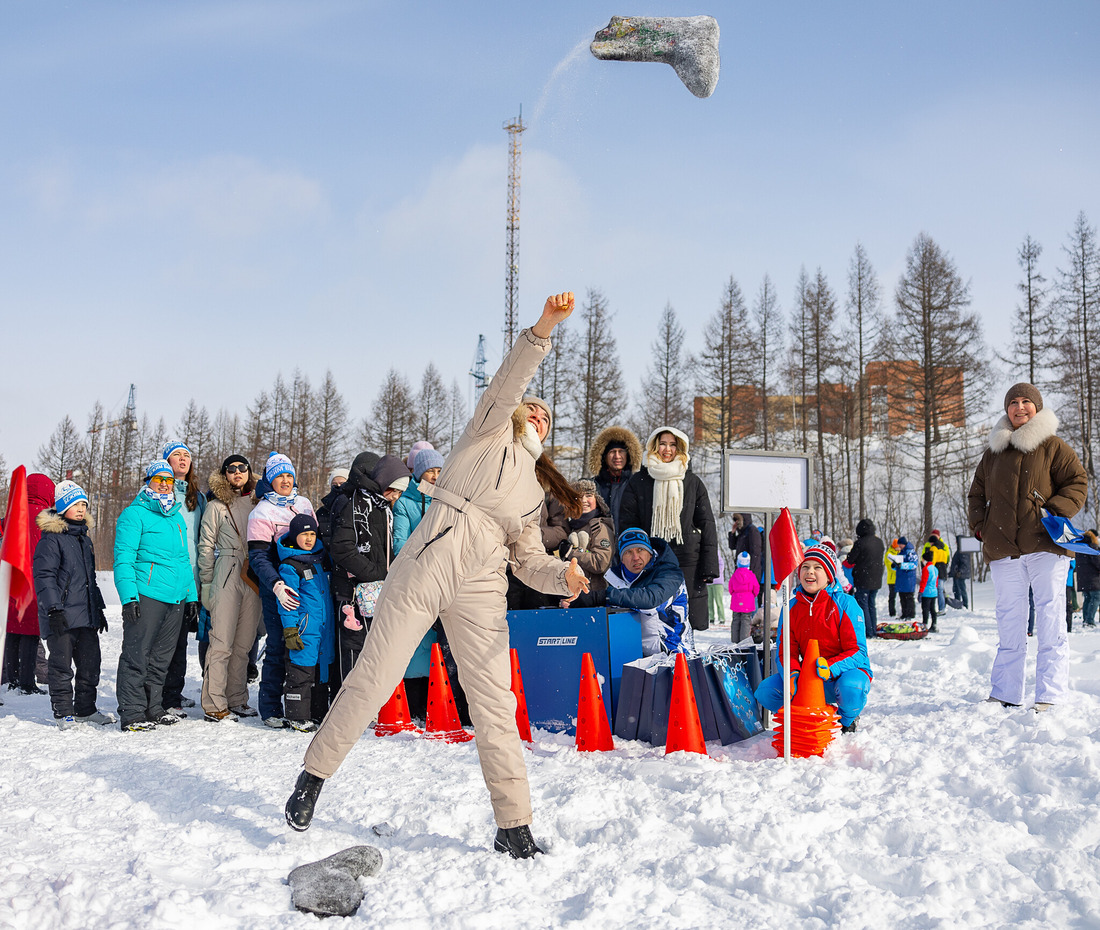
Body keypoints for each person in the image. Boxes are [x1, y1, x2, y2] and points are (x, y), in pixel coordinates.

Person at [285, 292, 590, 860]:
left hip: (483, 583)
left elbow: (528, 561)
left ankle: (514, 826)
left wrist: (563, 578)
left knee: (496, 702)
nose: (540, 415)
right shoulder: (488, 431)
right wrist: (544, 330)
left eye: (549, 416)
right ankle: (314, 776)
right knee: (378, 676)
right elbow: (509, 379)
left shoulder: (532, 491)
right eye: (535, 408)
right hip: (435, 552)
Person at [968, 382, 1087, 709]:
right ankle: (1005, 692)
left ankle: (1049, 695)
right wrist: (982, 527)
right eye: (1013, 403)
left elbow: (1077, 482)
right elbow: (976, 494)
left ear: (1037, 407)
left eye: (1026, 402)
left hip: (1046, 546)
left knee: (1050, 619)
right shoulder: (993, 453)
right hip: (1003, 549)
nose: (1020, 407)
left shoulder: (1053, 446)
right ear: (1006, 409)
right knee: (1009, 622)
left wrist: (1053, 511)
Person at [114, 460, 199, 731]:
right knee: (137, 654)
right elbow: (123, 559)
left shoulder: (176, 516)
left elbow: (184, 559)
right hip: (147, 593)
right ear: (147, 481)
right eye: (158, 479)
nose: (164, 484)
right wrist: (129, 597)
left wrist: (192, 595)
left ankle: (153, 707)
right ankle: (132, 711)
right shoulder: (134, 514)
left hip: (176, 597)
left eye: (168, 480)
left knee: (162, 658)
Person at [754, 545, 871, 733]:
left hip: (844, 674)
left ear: (829, 575)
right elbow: (786, 650)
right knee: (766, 692)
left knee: (851, 688)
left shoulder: (846, 604)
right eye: (805, 567)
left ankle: (846, 720)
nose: (810, 572)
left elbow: (858, 651)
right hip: (809, 676)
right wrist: (792, 675)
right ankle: (806, 716)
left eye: (818, 567)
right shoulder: (790, 607)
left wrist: (830, 667)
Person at [619, 426, 719, 631]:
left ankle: (686, 662)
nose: (667, 449)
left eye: (673, 445)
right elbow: (627, 523)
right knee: (652, 619)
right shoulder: (638, 481)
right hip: (651, 558)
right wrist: (632, 556)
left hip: (688, 559)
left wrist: (709, 567)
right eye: (662, 444)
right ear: (654, 447)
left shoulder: (693, 482)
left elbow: (707, 523)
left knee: (686, 621)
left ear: (680, 448)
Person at [32, 480, 114, 728]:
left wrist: (98, 610)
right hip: (62, 616)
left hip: (86, 616)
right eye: (75, 504)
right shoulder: (51, 539)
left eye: (83, 504)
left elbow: (90, 579)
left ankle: (85, 710)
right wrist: (54, 610)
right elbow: (44, 577)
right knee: (61, 667)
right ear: (63, 506)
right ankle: (63, 713)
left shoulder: (85, 539)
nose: (80, 509)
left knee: (91, 666)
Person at [247, 452, 316, 729]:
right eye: (279, 476)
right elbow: (258, 557)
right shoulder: (261, 511)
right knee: (279, 645)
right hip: (277, 585)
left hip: (307, 584)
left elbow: (314, 542)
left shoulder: (304, 504)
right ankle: (271, 707)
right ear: (270, 480)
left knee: (306, 643)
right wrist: (276, 585)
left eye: (289, 475)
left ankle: (305, 703)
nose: (285, 481)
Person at [328, 452, 410, 677]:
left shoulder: (381, 506)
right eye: (392, 490)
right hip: (353, 591)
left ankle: (370, 708)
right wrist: (376, 573)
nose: (395, 496)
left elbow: (385, 547)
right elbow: (342, 548)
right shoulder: (352, 502)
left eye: (399, 492)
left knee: (375, 651)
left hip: (377, 590)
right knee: (355, 652)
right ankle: (350, 708)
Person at [198, 454, 262, 722]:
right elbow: (206, 546)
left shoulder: (260, 502)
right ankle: (213, 701)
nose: (237, 472)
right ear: (224, 474)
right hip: (226, 570)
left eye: (242, 468)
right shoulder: (216, 506)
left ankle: (237, 698)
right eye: (231, 469)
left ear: (249, 472)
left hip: (254, 574)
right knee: (221, 641)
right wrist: (207, 583)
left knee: (244, 643)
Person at [568, 527, 694, 656]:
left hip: (675, 656)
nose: (635, 557)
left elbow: (651, 601)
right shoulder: (613, 579)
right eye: (628, 552)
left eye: (640, 550)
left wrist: (603, 596)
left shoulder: (671, 574)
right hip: (633, 654)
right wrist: (575, 602)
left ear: (650, 553)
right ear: (622, 559)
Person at [275, 513, 335, 732]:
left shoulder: (321, 558)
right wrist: (291, 628)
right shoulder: (290, 566)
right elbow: (288, 600)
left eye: (312, 534)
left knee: (321, 673)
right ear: (294, 536)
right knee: (301, 671)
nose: (309, 539)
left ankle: (318, 713)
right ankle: (297, 715)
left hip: (325, 628)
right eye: (303, 534)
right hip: (304, 628)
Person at [160, 440, 206, 716]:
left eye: (186, 455)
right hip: (165, 575)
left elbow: (200, 537)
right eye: (176, 455)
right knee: (163, 639)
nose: (182, 459)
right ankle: (160, 694)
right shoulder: (157, 492)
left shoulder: (195, 496)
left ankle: (172, 693)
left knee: (180, 640)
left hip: (191, 576)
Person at [3, 473, 54, 695]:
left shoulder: (14, 515)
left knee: (12, 632)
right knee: (31, 635)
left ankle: (10, 679)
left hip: (11, 582)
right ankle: (26, 682)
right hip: (35, 584)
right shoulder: (48, 519)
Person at [585, 426, 643, 534]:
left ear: (629, 454)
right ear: (604, 456)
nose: (617, 456)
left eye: (621, 451)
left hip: (629, 545)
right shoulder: (593, 486)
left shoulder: (637, 484)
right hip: (599, 546)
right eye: (612, 452)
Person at [847, 518, 885, 639]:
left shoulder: (860, 543)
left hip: (863, 578)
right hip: (876, 578)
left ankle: (868, 632)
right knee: (871, 604)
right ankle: (873, 629)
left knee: (863, 605)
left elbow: (850, 559)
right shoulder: (879, 542)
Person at [727, 551, 760, 644]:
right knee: (746, 620)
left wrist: (736, 595)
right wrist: (752, 595)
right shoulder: (751, 575)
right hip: (748, 601)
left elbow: (731, 588)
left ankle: (735, 640)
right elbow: (756, 588)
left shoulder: (734, 575)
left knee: (736, 620)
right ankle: (744, 640)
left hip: (736, 600)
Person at [728, 513, 764, 593]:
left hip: (750, 574)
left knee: (750, 600)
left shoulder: (752, 531)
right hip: (742, 574)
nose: (735, 522)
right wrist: (732, 533)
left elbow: (756, 554)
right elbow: (732, 546)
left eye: (737, 520)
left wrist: (751, 574)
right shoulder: (742, 533)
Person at [890, 536, 918, 620]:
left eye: (900, 544)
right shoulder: (900, 553)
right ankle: (904, 613)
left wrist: (902, 565)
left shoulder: (911, 553)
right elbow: (898, 565)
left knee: (908, 597)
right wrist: (894, 566)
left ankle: (911, 614)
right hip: (901, 579)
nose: (899, 546)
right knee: (902, 597)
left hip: (908, 579)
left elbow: (913, 564)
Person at [1078, 531, 1100, 627]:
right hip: (1093, 579)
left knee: (1087, 599)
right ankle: (1090, 621)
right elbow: (1098, 562)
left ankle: (1086, 620)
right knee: (1095, 598)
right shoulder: (1092, 548)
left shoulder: (1080, 549)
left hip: (1082, 579)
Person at [947, 537, 971, 609]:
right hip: (957, 574)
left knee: (961, 590)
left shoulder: (963, 551)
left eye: (956, 541)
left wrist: (960, 572)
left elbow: (965, 564)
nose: (955, 543)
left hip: (960, 575)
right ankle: (958, 604)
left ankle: (964, 605)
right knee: (956, 590)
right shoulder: (960, 550)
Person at [919, 549, 939, 632]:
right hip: (934, 592)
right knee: (932, 609)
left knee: (925, 609)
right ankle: (934, 624)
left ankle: (924, 624)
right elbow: (936, 582)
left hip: (926, 592)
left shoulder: (926, 569)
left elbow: (924, 581)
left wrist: (920, 592)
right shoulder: (935, 568)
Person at [884, 538, 899, 617]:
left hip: (899, 578)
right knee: (892, 596)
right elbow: (891, 567)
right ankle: (892, 612)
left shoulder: (899, 553)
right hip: (892, 579)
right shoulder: (889, 554)